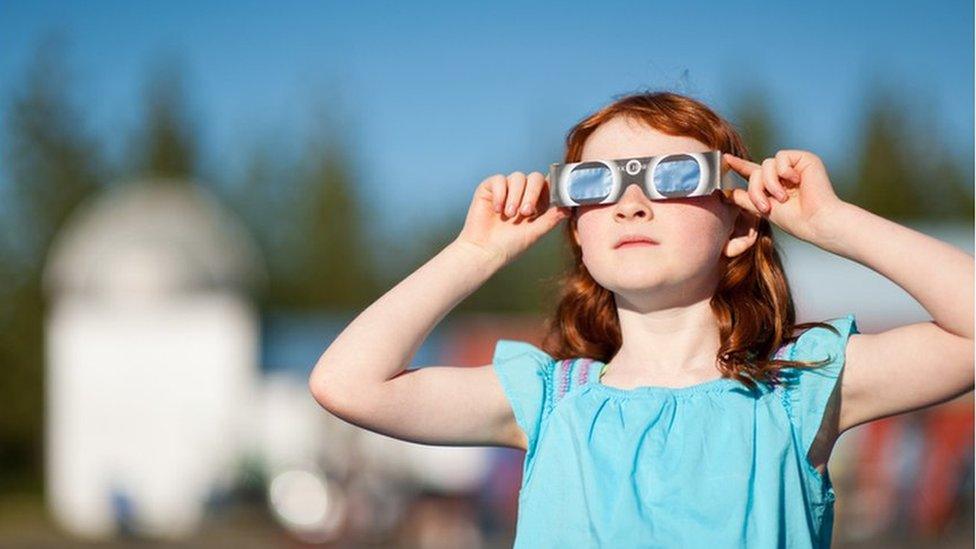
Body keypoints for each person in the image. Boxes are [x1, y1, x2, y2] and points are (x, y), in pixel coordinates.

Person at [308, 91, 975, 548]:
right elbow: (348, 382)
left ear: (740, 225)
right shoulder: (547, 400)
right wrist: (472, 253)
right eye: (595, 182)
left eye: (675, 176)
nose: (631, 202)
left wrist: (836, 222)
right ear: (576, 231)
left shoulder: (797, 390)